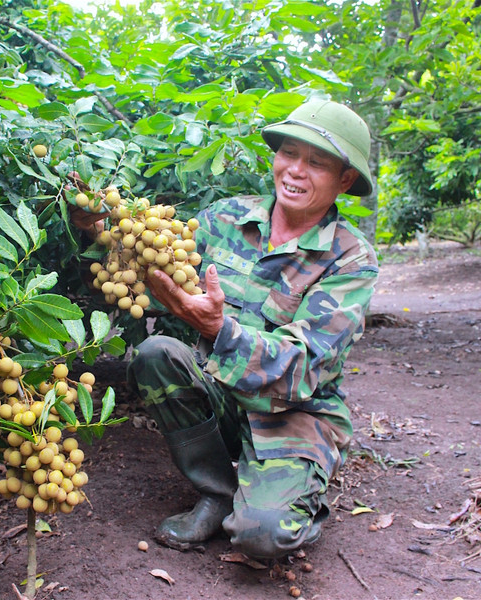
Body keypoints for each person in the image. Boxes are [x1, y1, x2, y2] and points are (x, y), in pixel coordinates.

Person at [73, 99, 378, 559]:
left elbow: (303, 367)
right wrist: (105, 231)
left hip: (294, 412)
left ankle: (289, 495)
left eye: (316, 162)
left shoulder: (351, 260)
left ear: (345, 179)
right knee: (156, 354)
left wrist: (220, 331)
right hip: (220, 388)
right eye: (289, 154)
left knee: (264, 537)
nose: (295, 170)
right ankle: (217, 490)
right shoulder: (226, 217)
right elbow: (163, 278)